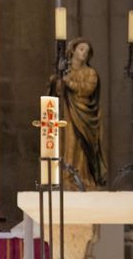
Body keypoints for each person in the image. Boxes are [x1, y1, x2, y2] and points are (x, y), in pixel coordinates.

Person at [49, 37, 107, 189]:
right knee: (68, 143)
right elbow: (57, 91)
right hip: (67, 114)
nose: (84, 54)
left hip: (84, 116)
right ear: (73, 50)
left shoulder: (90, 73)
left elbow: (88, 89)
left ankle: (83, 178)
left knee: (82, 146)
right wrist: (59, 79)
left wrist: (70, 82)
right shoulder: (64, 71)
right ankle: (67, 178)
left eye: (87, 52)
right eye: (81, 49)